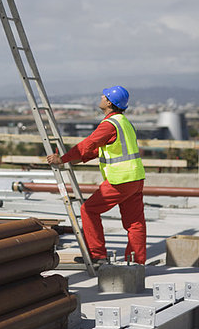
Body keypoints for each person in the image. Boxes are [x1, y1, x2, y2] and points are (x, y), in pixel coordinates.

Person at [47, 86, 146, 265]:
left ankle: (97, 255)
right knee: (135, 224)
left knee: (89, 210)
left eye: (104, 96)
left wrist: (62, 158)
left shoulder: (109, 125)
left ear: (109, 102)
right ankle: (137, 263)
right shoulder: (124, 122)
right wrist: (76, 159)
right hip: (136, 178)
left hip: (120, 180)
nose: (101, 97)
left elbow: (89, 144)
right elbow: (100, 149)